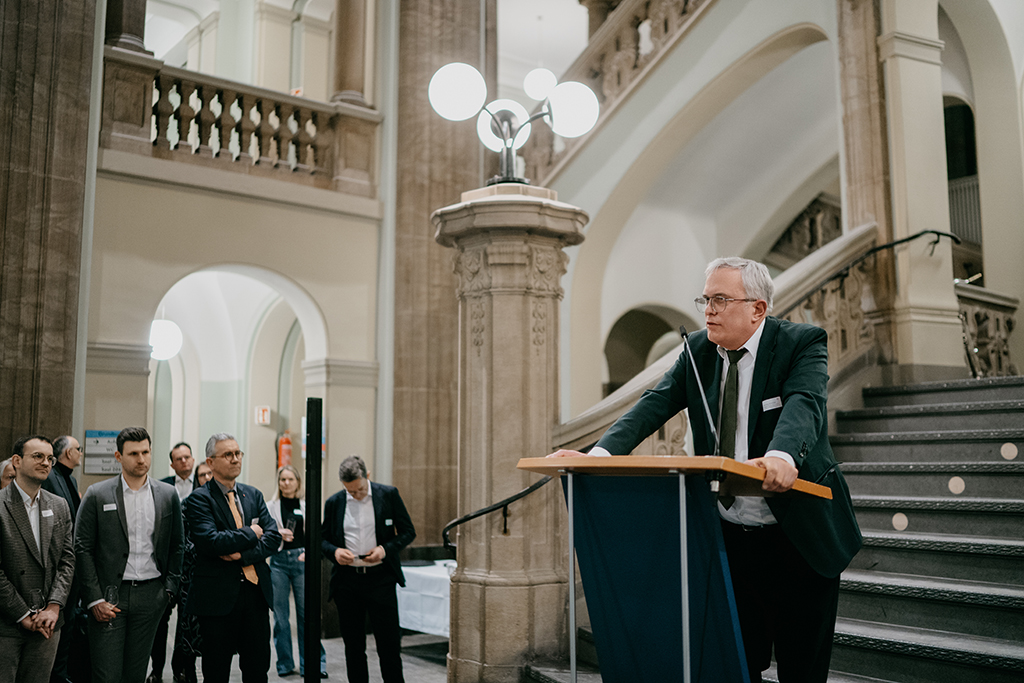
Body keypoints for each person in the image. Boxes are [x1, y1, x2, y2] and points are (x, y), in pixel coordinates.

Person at [549, 257, 862, 683]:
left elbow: (804, 404)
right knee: (734, 665)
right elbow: (654, 404)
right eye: (705, 299)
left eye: (720, 300)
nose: (708, 310)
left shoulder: (800, 342)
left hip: (799, 536)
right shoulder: (698, 351)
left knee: (801, 671)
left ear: (757, 309)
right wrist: (599, 457)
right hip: (731, 540)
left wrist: (781, 457)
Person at [75, 427, 185, 683]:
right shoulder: (97, 493)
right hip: (109, 596)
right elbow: (81, 547)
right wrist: (94, 598)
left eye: (145, 452)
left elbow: (177, 544)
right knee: (106, 675)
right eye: (133, 453)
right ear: (118, 456)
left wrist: (169, 589)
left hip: (151, 595)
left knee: (135, 674)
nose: (141, 459)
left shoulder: (167, 495)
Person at [184, 434, 280, 683]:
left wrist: (243, 554)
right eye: (228, 454)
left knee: (257, 670)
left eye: (238, 453)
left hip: (255, 596)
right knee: (216, 673)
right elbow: (212, 541)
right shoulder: (199, 499)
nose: (235, 459)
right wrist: (252, 533)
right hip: (218, 600)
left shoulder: (253, 495)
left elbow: (273, 537)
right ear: (210, 462)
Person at [322, 455, 416, 683]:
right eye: (350, 491)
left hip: (380, 579)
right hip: (347, 582)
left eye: (360, 489)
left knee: (389, 646)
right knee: (353, 647)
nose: (356, 495)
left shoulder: (388, 495)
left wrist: (384, 550)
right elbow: (322, 540)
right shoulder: (334, 502)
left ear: (368, 476)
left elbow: (408, 532)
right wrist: (335, 552)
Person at [0, 436, 75, 683]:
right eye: (38, 456)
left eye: (50, 458)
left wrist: (54, 606)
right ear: (17, 461)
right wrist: (22, 614)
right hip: (7, 622)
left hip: (48, 623)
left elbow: (67, 560)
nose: (46, 463)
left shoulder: (60, 505)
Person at [267, 465, 327, 678]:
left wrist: (310, 553)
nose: (286, 483)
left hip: (302, 560)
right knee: (281, 618)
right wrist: (277, 533)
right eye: (282, 479)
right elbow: (264, 532)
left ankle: (313, 663)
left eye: (290, 479)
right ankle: (284, 663)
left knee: (307, 615)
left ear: (298, 482)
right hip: (278, 562)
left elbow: (317, 534)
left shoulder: (306, 506)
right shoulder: (271, 506)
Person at [148, 442, 196, 683]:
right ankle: (156, 670)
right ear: (172, 464)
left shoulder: (203, 487)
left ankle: (182, 670)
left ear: (193, 459)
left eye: (187, 457)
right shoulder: (161, 487)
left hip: (192, 566)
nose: (184, 461)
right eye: (179, 458)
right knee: (159, 620)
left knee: (187, 624)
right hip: (166, 566)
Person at [41, 435, 84, 683]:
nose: (81, 453)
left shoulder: (71, 479)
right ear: (68, 453)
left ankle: (61, 672)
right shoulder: (50, 478)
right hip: (55, 562)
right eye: (79, 449)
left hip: (72, 562)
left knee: (70, 619)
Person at [168, 461, 215, 683]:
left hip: (216, 576)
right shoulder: (188, 504)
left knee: (211, 632)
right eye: (202, 474)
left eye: (210, 473)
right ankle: (185, 671)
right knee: (187, 629)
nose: (207, 477)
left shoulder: (225, 504)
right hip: (191, 577)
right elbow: (181, 541)